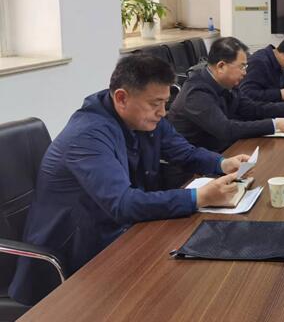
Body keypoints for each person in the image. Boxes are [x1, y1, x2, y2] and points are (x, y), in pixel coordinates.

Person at [9, 54, 251, 305]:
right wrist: (198, 197)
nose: (162, 112)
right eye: (155, 104)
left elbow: (183, 152)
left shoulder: (143, 117)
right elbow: (122, 203)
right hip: (72, 260)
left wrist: (222, 163)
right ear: (122, 98)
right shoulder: (87, 135)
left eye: (165, 103)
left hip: (118, 236)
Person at [168, 36, 284, 152]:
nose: (245, 73)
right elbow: (226, 129)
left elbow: (252, 108)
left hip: (225, 151)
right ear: (221, 66)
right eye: (242, 67)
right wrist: (275, 124)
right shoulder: (196, 92)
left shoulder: (228, 84)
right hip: (195, 168)